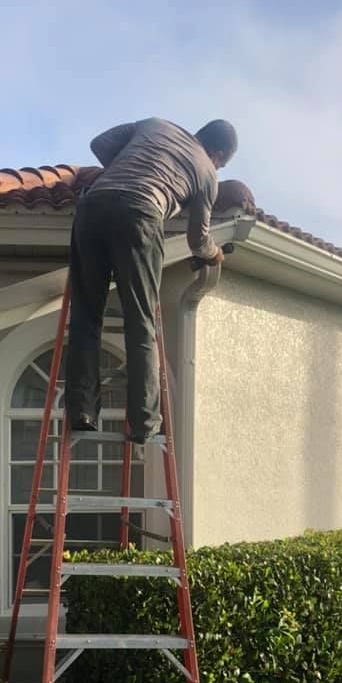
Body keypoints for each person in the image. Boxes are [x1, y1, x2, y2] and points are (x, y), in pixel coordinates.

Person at [65, 117, 238, 443]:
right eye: (222, 163)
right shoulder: (206, 172)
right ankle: (144, 422)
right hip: (140, 214)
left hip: (92, 207)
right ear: (217, 154)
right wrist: (215, 255)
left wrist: (128, 169)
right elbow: (197, 240)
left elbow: (99, 143)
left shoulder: (156, 125)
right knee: (140, 319)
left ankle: (82, 412)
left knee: (86, 314)